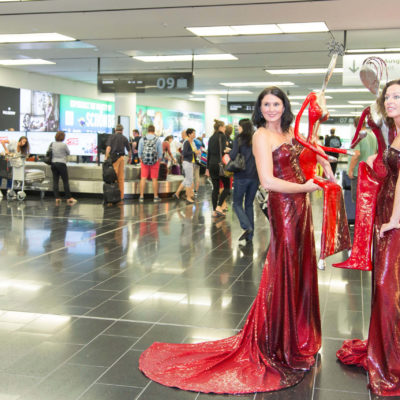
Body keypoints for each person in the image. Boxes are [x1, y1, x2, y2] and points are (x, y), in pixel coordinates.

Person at [139, 87, 327, 394]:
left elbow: (305, 156)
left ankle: (299, 338)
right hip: (285, 206)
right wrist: (305, 188)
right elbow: (267, 181)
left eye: (276, 103)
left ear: (284, 106)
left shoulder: (290, 132)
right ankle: (279, 342)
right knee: (286, 268)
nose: (270, 109)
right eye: (265, 104)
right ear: (259, 108)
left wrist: (320, 148)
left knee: (301, 268)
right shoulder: (261, 136)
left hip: (301, 207)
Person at [337, 79, 400, 396]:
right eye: (388, 96)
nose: (390, 101)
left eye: (397, 96)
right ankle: (386, 347)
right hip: (388, 212)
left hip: (396, 220)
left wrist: (393, 219)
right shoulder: (396, 131)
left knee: (388, 285)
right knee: (388, 283)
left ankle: (393, 357)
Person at [229, 118, 259, 242]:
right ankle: (250, 236)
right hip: (254, 177)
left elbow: (233, 155)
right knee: (249, 205)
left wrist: (228, 151)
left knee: (236, 203)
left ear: (242, 127)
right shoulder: (256, 139)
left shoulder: (239, 139)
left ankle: (246, 227)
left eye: (239, 126)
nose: (238, 128)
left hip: (241, 176)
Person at [347, 117, 377, 203]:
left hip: (358, 173)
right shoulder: (372, 136)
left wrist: (351, 170)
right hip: (370, 172)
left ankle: (359, 217)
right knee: (367, 200)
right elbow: (376, 152)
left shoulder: (357, 136)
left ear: (354, 124)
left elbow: (356, 154)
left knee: (358, 200)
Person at [206, 119, 231, 218]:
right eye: (224, 127)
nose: (225, 129)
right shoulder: (223, 136)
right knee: (227, 187)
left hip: (212, 165)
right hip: (220, 165)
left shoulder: (211, 138)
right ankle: (219, 206)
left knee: (215, 188)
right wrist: (228, 149)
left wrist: (207, 168)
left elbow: (209, 154)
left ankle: (214, 211)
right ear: (220, 127)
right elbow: (223, 150)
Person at [48, 131, 77, 205]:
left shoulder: (52, 144)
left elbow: (49, 152)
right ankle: (68, 197)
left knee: (55, 180)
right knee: (65, 181)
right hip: (62, 164)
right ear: (63, 137)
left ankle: (57, 197)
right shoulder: (64, 145)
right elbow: (68, 153)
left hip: (53, 164)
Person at [105, 124, 131, 203]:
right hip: (121, 158)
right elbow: (129, 150)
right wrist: (130, 158)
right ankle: (121, 196)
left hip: (114, 159)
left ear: (115, 130)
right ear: (122, 130)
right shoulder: (124, 138)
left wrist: (106, 157)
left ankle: (112, 196)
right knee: (121, 178)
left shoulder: (111, 137)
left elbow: (108, 148)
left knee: (113, 177)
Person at [172, 128, 198, 203]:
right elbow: (185, 153)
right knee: (189, 180)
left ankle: (177, 193)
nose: (194, 135)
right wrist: (194, 152)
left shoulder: (190, 142)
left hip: (189, 162)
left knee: (187, 179)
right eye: (193, 133)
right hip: (187, 163)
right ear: (189, 134)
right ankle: (188, 197)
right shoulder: (187, 142)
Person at [138, 124, 162, 202]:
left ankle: (141, 196)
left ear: (148, 130)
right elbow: (160, 153)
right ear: (154, 131)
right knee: (154, 179)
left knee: (143, 178)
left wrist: (140, 159)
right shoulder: (157, 140)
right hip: (154, 161)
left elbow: (139, 151)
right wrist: (158, 160)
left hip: (144, 161)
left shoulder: (142, 139)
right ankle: (155, 197)